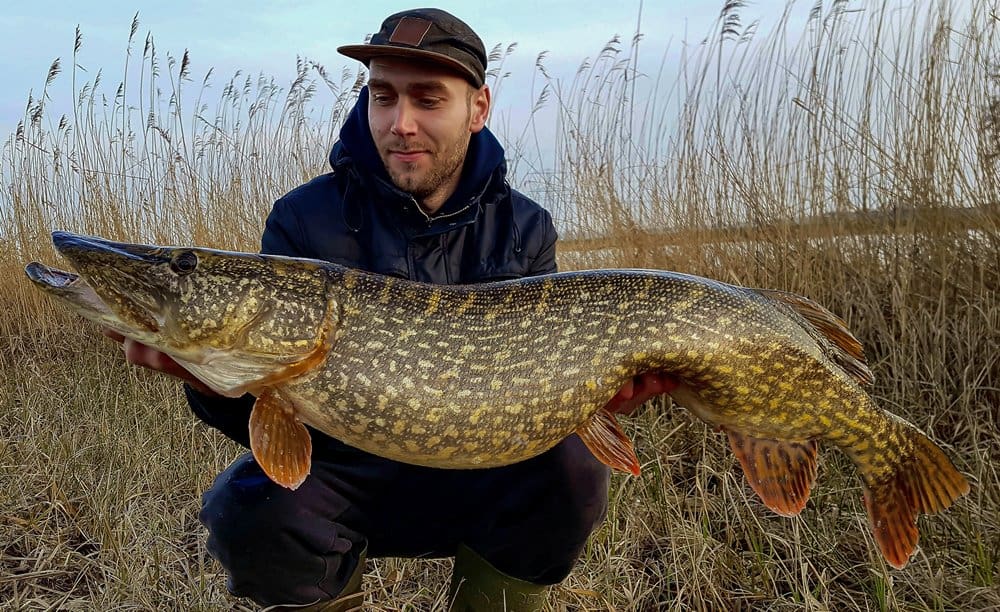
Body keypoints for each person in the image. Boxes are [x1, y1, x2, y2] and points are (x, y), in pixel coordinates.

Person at [108, 8, 677, 611]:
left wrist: (593, 393)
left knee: (574, 469)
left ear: (477, 108)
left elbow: (547, 384)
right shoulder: (302, 220)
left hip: (480, 472)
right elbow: (274, 422)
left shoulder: (524, 227)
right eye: (383, 97)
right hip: (348, 479)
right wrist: (217, 386)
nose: (400, 124)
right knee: (251, 504)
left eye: (428, 100)